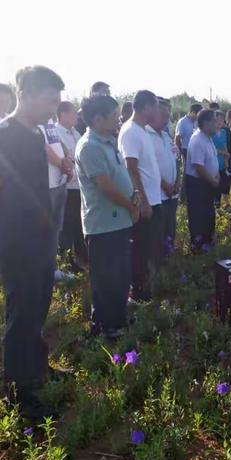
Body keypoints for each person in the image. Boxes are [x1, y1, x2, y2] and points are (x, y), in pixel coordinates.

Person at [0, 66, 64, 420]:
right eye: (50, 99)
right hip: (15, 242)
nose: (54, 108)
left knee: (39, 304)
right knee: (21, 311)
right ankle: (18, 389)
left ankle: (38, 366)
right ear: (25, 94)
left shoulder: (36, 132)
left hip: (41, 238)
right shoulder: (5, 134)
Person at [76, 95, 139, 338]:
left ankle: (118, 316)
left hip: (119, 220)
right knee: (106, 278)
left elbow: (121, 176)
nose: (119, 120)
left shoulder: (108, 141)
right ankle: (106, 324)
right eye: (114, 116)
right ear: (98, 118)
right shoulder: (90, 146)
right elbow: (107, 187)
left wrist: (134, 196)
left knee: (121, 273)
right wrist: (131, 206)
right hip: (102, 225)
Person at [119, 90, 161, 302]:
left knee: (148, 247)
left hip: (154, 199)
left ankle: (145, 289)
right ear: (145, 107)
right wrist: (142, 201)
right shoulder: (130, 132)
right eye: (155, 106)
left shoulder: (142, 130)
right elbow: (131, 167)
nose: (158, 111)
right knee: (140, 249)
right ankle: (137, 293)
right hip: (145, 202)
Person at [39, 116, 74, 282]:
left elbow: (56, 140)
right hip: (47, 185)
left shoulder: (48, 120)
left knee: (55, 230)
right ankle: (44, 270)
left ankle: (52, 269)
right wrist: (63, 164)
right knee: (44, 232)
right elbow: (43, 148)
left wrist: (66, 156)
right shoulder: (33, 120)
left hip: (59, 181)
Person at [56, 101, 86, 273]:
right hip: (66, 186)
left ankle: (80, 257)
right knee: (67, 225)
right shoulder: (56, 133)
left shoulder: (75, 133)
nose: (77, 116)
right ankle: (66, 261)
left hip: (79, 186)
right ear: (63, 114)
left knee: (77, 224)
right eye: (73, 113)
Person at [147, 100, 180, 258]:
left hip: (172, 193)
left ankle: (169, 260)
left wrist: (177, 181)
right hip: (158, 196)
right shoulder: (146, 136)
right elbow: (147, 168)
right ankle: (158, 266)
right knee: (158, 233)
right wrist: (164, 185)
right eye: (164, 115)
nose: (167, 119)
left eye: (169, 116)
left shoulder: (166, 135)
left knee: (170, 230)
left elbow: (175, 159)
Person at [185, 109, 219, 250]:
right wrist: (212, 180)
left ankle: (208, 244)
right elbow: (198, 166)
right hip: (198, 185)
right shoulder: (198, 139)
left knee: (208, 216)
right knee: (199, 217)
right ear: (206, 123)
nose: (218, 124)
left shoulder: (207, 137)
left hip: (207, 183)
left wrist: (216, 175)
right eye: (215, 121)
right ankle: (198, 248)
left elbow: (210, 161)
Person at [212, 110, 230, 207]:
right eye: (218, 120)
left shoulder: (223, 132)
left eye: (222, 121)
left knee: (223, 183)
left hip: (222, 162)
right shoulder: (210, 133)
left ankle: (223, 204)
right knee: (215, 186)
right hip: (214, 163)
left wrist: (226, 159)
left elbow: (225, 146)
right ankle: (216, 204)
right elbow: (211, 149)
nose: (220, 123)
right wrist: (223, 153)